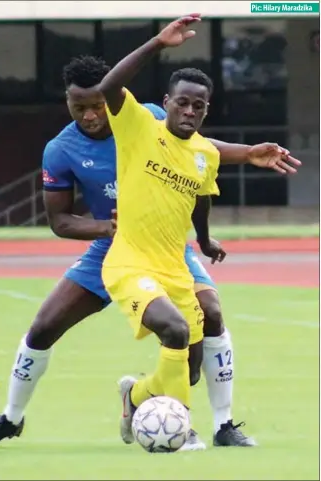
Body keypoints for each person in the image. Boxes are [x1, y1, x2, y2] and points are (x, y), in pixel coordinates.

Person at [0, 49, 300, 450]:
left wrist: (244, 157)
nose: (90, 115)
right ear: (67, 103)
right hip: (111, 252)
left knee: (209, 315)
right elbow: (60, 221)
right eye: (79, 107)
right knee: (43, 328)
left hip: (166, 249)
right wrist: (108, 226)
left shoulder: (147, 117)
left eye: (97, 105)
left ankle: (222, 424)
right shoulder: (61, 150)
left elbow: (195, 148)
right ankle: (9, 418)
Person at [96, 13, 301, 449]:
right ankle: (180, 426)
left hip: (176, 270)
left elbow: (201, 195)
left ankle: (135, 396)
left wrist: (204, 240)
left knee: (186, 369)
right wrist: (157, 43)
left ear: (206, 110)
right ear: (166, 102)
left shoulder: (204, 154)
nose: (189, 111)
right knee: (173, 329)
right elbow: (108, 88)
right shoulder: (137, 128)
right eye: (182, 102)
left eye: (199, 106)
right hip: (129, 262)